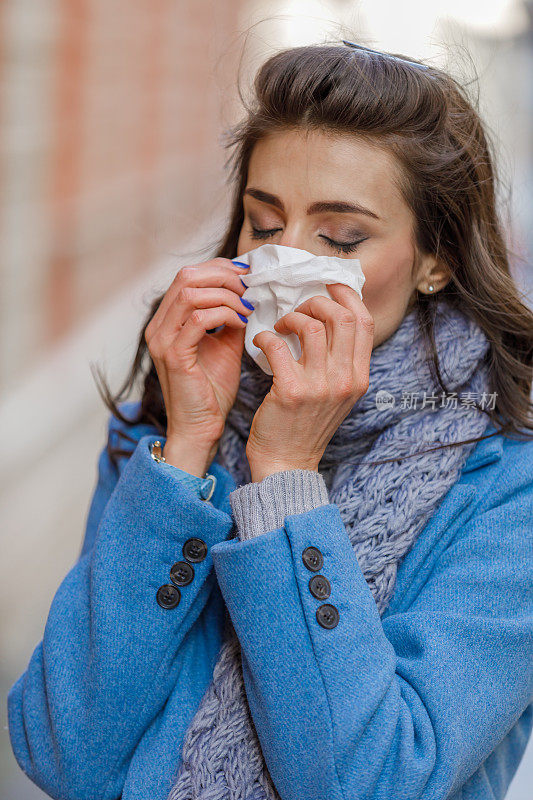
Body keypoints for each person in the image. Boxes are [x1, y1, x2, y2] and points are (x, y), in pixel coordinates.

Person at [7, 39, 533, 800]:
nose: (285, 260)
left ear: (435, 260)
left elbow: (372, 782)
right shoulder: (163, 430)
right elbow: (62, 751)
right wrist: (184, 448)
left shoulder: (506, 487)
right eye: (262, 223)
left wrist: (284, 478)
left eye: (340, 238)